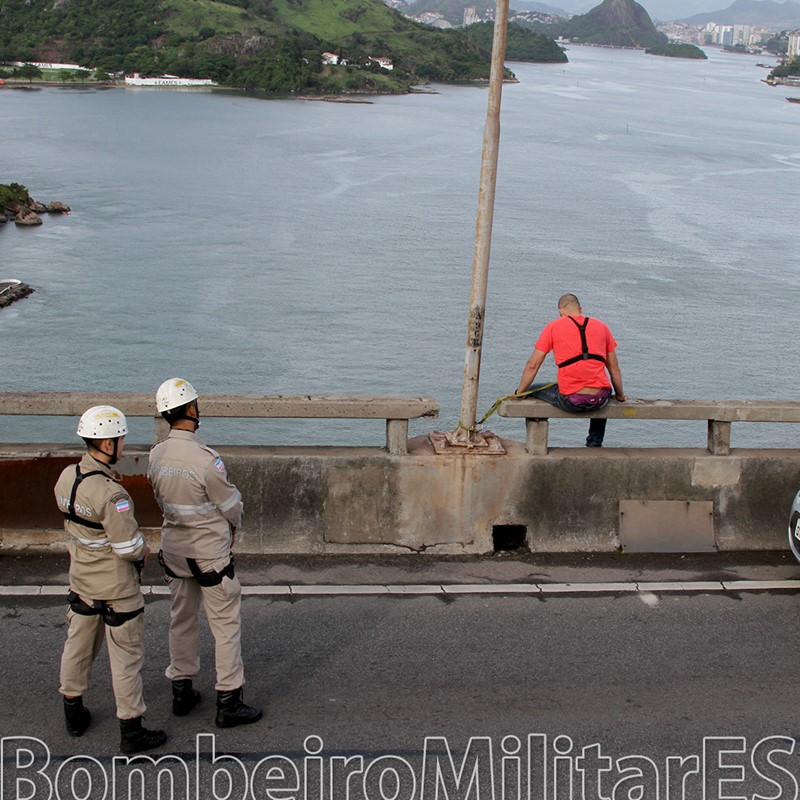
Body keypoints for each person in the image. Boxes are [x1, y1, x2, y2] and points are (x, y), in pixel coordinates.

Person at [148, 378, 262, 728]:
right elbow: (232, 506)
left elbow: (159, 501)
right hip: (211, 556)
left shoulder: (156, 455)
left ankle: (181, 691)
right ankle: (228, 700)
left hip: (175, 553)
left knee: (181, 619)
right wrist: (232, 529)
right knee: (225, 625)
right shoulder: (205, 460)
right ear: (192, 409)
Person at [54, 405, 167, 754]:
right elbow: (127, 545)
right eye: (119, 439)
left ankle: (73, 713)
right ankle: (131, 730)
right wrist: (143, 549)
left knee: (77, 648)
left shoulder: (66, 477)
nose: (122, 445)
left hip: (82, 583)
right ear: (106, 443)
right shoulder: (112, 494)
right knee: (126, 657)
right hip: (117, 589)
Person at [515, 293, 626, 447]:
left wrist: (520, 392)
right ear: (581, 309)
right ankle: (594, 444)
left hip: (571, 400)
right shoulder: (602, 327)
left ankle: (536, 445)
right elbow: (614, 367)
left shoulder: (553, 326)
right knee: (601, 388)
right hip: (600, 400)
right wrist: (620, 395)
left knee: (532, 389)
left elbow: (532, 365)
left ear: (560, 311)